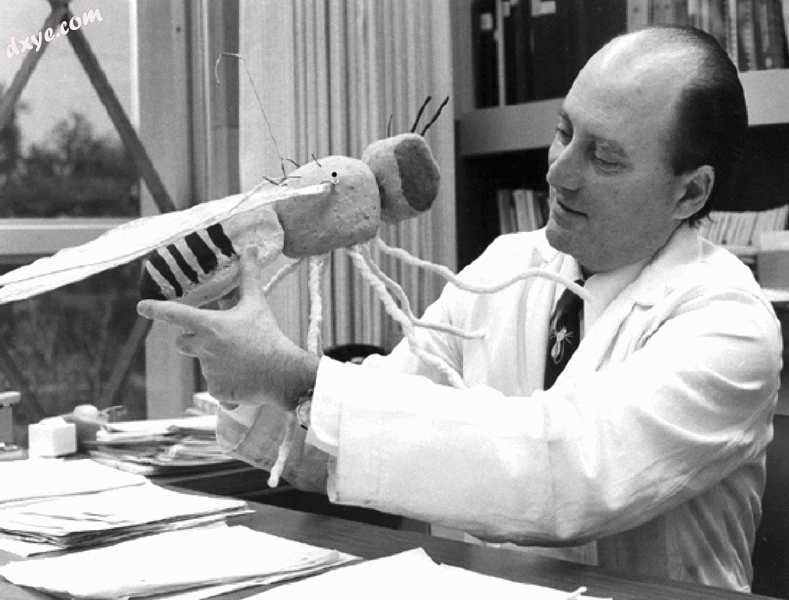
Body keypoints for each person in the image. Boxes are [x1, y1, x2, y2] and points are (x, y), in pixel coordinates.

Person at [138, 25, 782, 592]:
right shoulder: (505, 267)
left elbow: (569, 469)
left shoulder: (730, 324)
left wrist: (295, 378)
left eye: (605, 157)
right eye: (564, 132)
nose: (559, 172)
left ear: (689, 191)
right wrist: (242, 363)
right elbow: (353, 433)